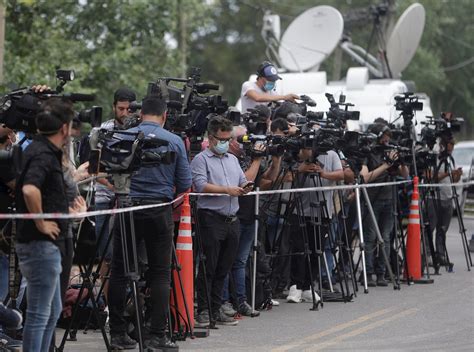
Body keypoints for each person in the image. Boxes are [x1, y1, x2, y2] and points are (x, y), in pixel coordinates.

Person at [108, 95, 191, 351]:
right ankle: (158, 335)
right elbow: (186, 183)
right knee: (160, 272)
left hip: (127, 206)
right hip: (158, 209)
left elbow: (110, 173)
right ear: (165, 116)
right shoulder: (175, 141)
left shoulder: (122, 136)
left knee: (120, 271)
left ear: (141, 114)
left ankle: (118, 334)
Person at [15, 98, 84, 352]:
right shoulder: (42, 153)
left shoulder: (45, 151)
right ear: (65, 128)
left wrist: (71, 212)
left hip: (49, 244)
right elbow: (30, 190)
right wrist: (42, 222)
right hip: (39, 244)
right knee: (39, 313)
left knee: (52, 310)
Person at [191, 116, 252, 327]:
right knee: (209, 266)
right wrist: (227, 190)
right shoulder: (201, 159)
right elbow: (200, 186)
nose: (225, 142)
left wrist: (246, 187)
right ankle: (204, 311)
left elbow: (242, 181)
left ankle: (216, 309)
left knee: (224, 268)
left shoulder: (232, 159)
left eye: (228, 138)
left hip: (232, 219)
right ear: (211, 137)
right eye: (221, 138)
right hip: (210, 218)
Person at [286, 144, 344, 303]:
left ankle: (308, 286)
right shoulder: (300, 153)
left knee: (315, 250)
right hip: (300, 210)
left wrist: (323, 173)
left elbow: (341, 175)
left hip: (323, 211)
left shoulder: (332, 154)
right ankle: (294, 286)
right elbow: (289, 175)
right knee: (299, 250)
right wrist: (301, 167)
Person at [360, 123, 409, 287]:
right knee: (370, 238)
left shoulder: (391, 152)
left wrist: (400, 162)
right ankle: (368, 273)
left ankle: (382, 273)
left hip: (389, 199)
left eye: (388, 139)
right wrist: (385, 165)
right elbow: (365, 178)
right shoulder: (368, 153)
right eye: (384, 138)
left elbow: (405, 175)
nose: (387, 142)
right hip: (371, 200)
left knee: (386, 238)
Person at [426, 137, 462, 265]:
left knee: (443, 229)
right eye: (449, 147)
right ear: (443, 146)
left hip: (447, 197)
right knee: (430, 228)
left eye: (452, 147)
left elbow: (454, 180)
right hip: (434, 197)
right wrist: (448, 173)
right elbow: (430, 177)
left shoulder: (450, 159)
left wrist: (457, 174)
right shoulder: (434, 159)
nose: (451, 150)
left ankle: (440, 255)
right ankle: (427, 255)